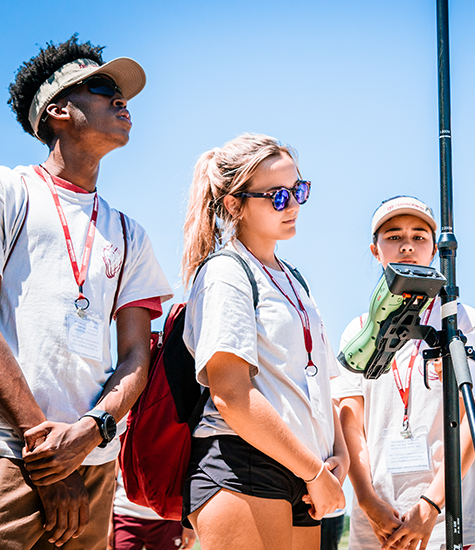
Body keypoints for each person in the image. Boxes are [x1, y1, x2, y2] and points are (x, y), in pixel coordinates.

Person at [0, 35, 172, 549]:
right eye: (101, 87)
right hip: (11, 455)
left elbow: (136, 357)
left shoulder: (129, 233)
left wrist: (88, 434)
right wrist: (45, 447)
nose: (122, 100)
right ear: (56, 110)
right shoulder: (11, 193)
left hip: (94, 467)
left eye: (123, 93)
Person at [180, 133, 347, 550]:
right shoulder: (226, 272)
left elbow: (321, 388)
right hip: (245, 465)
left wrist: (337, 456)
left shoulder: (295, 280)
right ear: (234, 204)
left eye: (298, 190)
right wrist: (314, 472)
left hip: (305, 471)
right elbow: (231, 396)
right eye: (276, 196)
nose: (292, 205)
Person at [332, 195, 475, 550]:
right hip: (378, 524)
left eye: (419, 237)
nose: (407, 246)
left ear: (435, 249)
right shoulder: (357, 333)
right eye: (393, 236)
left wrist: (432, 505)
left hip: (454, 520)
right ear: (375, 250)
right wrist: (367, 501)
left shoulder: (461, 319)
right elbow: (350, 422)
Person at [108, 465, 196, 550]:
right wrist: (108, 522)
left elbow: (190, 470)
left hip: (168, 518)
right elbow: (111, 478)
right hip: (124, 514)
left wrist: (189, 524)